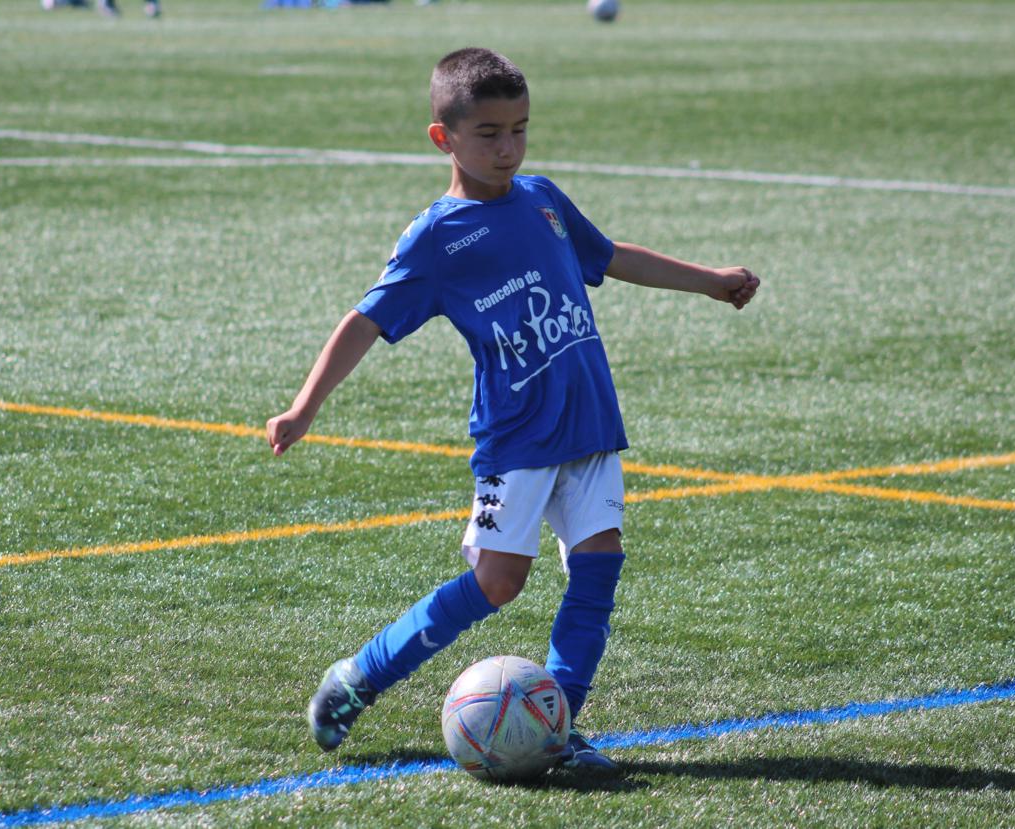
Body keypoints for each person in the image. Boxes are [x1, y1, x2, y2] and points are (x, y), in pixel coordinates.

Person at [266, 47, 760, 772]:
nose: (508, 148)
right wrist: (305, 406)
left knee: (599, 565)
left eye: (520, 129)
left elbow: (609, 256)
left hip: (590, 422)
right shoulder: (437, 237)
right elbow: (365, 320)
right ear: (444, 138)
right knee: (498, 583)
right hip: (519, 435)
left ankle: (557, 725)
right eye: (490, 133)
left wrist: (710, 280)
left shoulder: (542, 199)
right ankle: (360, 676)